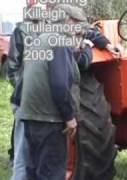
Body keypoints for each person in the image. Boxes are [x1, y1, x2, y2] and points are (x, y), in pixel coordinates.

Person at [16, 4, 89, 180]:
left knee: (34, 172)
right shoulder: (60, 41)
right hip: (49, 121)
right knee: (51, 173)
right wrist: (70, 117)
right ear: (68, 21)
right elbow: (59, 85)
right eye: (78, 23)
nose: (80, 29)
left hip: (30, 118)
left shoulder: (40, 40)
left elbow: (25, 77)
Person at [6, 13, 40, 180]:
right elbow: (12, 66)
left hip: (42, 95)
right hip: (24, 92)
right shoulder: (22, 30)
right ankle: (15, 158)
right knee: (21, 130)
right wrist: (22, 87)